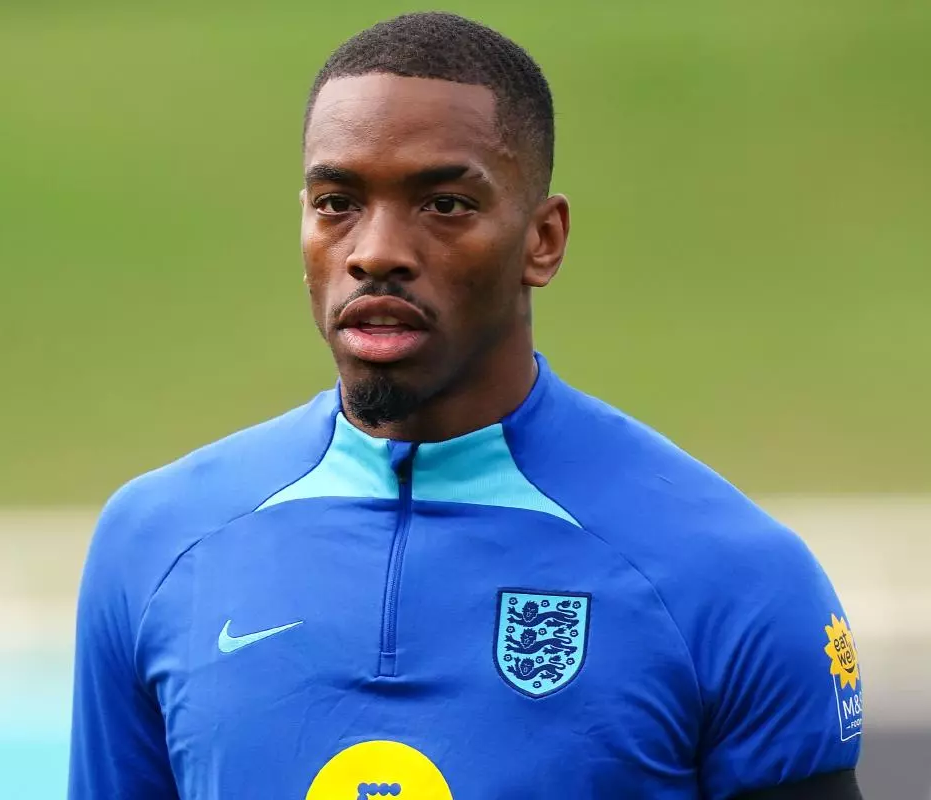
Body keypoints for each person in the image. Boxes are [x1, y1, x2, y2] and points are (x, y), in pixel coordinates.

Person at [69, 11, 864, 800]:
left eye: (444, 204)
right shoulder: (157, 545)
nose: (375, 252)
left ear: (542, 241)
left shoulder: (731, 580)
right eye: (337, 202)